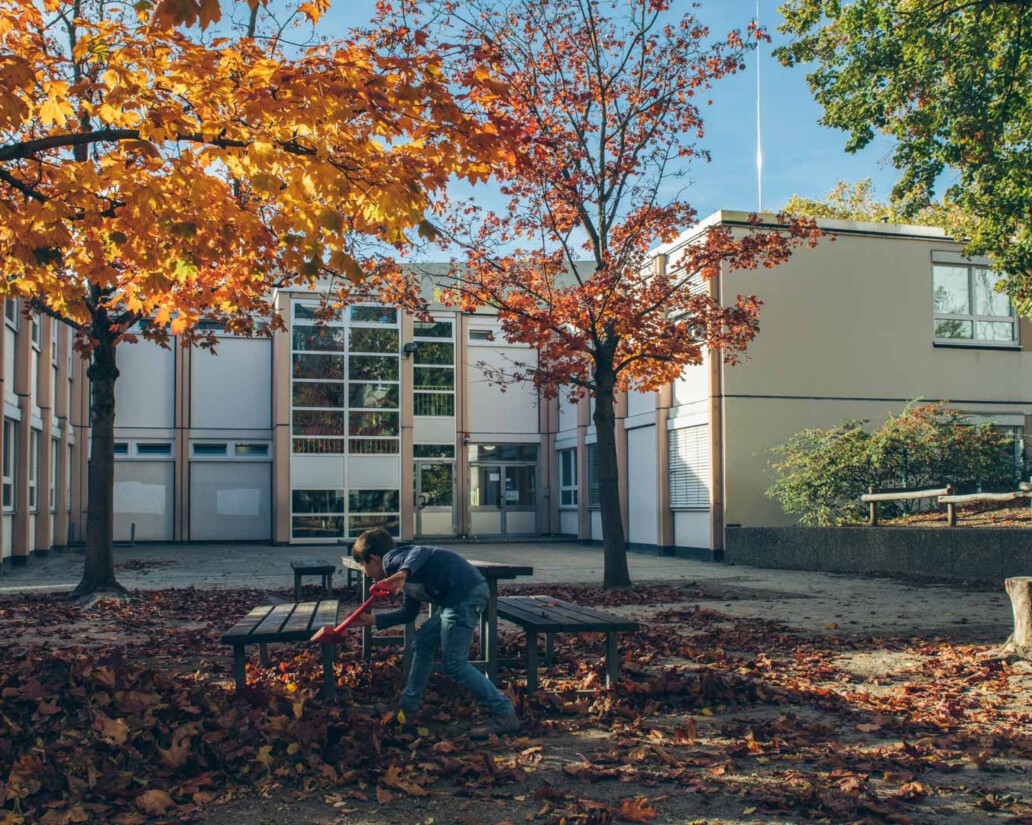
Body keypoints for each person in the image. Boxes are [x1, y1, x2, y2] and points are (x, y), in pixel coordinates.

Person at [349, 527, 520, 740]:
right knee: (422, 642)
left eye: (363, 566)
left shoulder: (393, 560)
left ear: (373, 558)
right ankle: (407, 708)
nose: (365, 573)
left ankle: (504, 713)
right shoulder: (404, 574)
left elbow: (420, 551)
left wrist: (402, 574)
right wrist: (371, 620)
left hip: (465, 595)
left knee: (454, 665)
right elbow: (408, 613)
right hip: (455, 600)